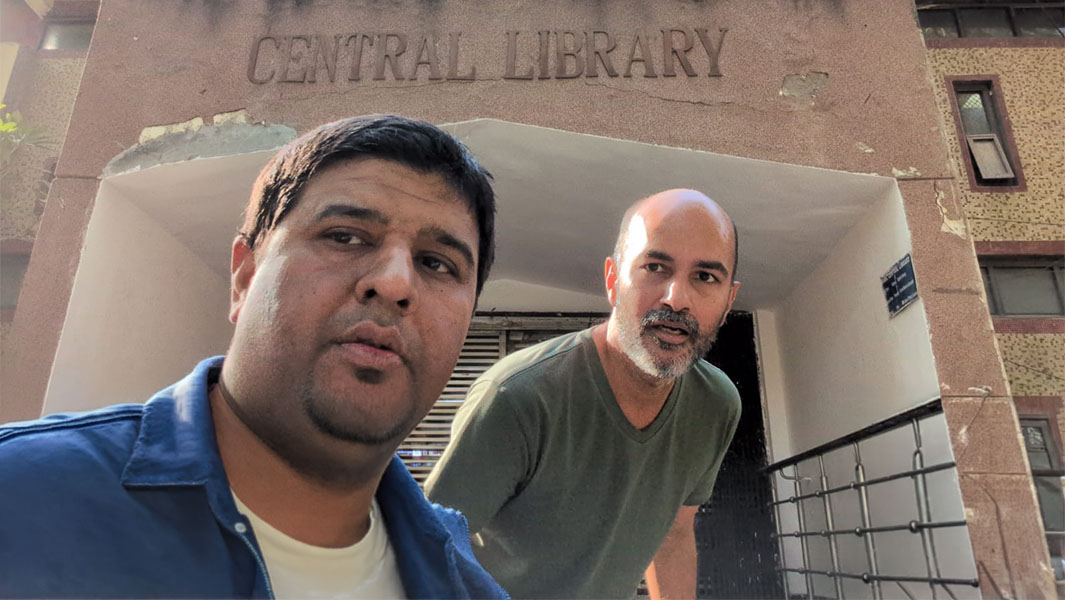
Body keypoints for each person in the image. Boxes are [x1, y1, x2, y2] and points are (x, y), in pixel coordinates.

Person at [0, 115, 508, 599]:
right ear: (244, 277)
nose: (396, 283)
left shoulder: (463, 579)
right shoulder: (21, 499)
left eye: (437, 263)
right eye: (345, 236)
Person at [425, 188, 743, 599]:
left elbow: (674, 535)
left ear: (729, 300)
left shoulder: (716, 405)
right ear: (613, 281)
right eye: (655, 267)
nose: (676, 298)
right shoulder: (516, 397)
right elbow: (424, 552)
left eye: (705, 277)